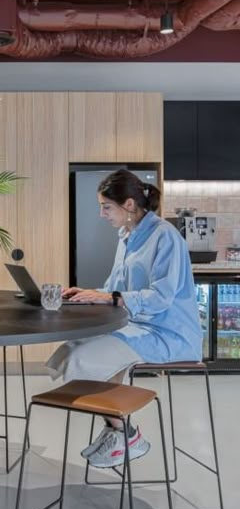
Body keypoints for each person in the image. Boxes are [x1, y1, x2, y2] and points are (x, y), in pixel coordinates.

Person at [47, 169, 202, 469]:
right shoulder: (127, 236)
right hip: (134, 325)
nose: (102, 214)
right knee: (70, 349)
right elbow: (117, 288)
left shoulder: (165, 236)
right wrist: (92, 293)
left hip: (165, 333)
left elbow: (160, 297)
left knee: (84, 359)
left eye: (106, 207)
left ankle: (124, 433)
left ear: (129, 205)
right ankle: (119, 432)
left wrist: (111, 298)